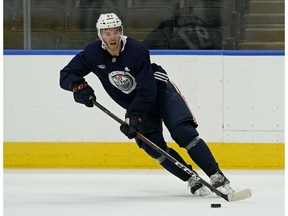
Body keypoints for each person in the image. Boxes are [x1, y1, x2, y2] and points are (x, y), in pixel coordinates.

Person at [59, 13, 234, 196]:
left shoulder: (137, 50)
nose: (112, 37)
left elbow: (147, 91)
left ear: (121, 32)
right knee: (151, 145)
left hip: (161, 94)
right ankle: (191, 178)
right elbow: (66, 74)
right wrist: (78, 87)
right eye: (107, 33)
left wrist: (133, 116)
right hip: (137, 105)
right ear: (100, 35)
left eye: (115, 32)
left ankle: (217, 176)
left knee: (184, 133)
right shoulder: (92, 54)